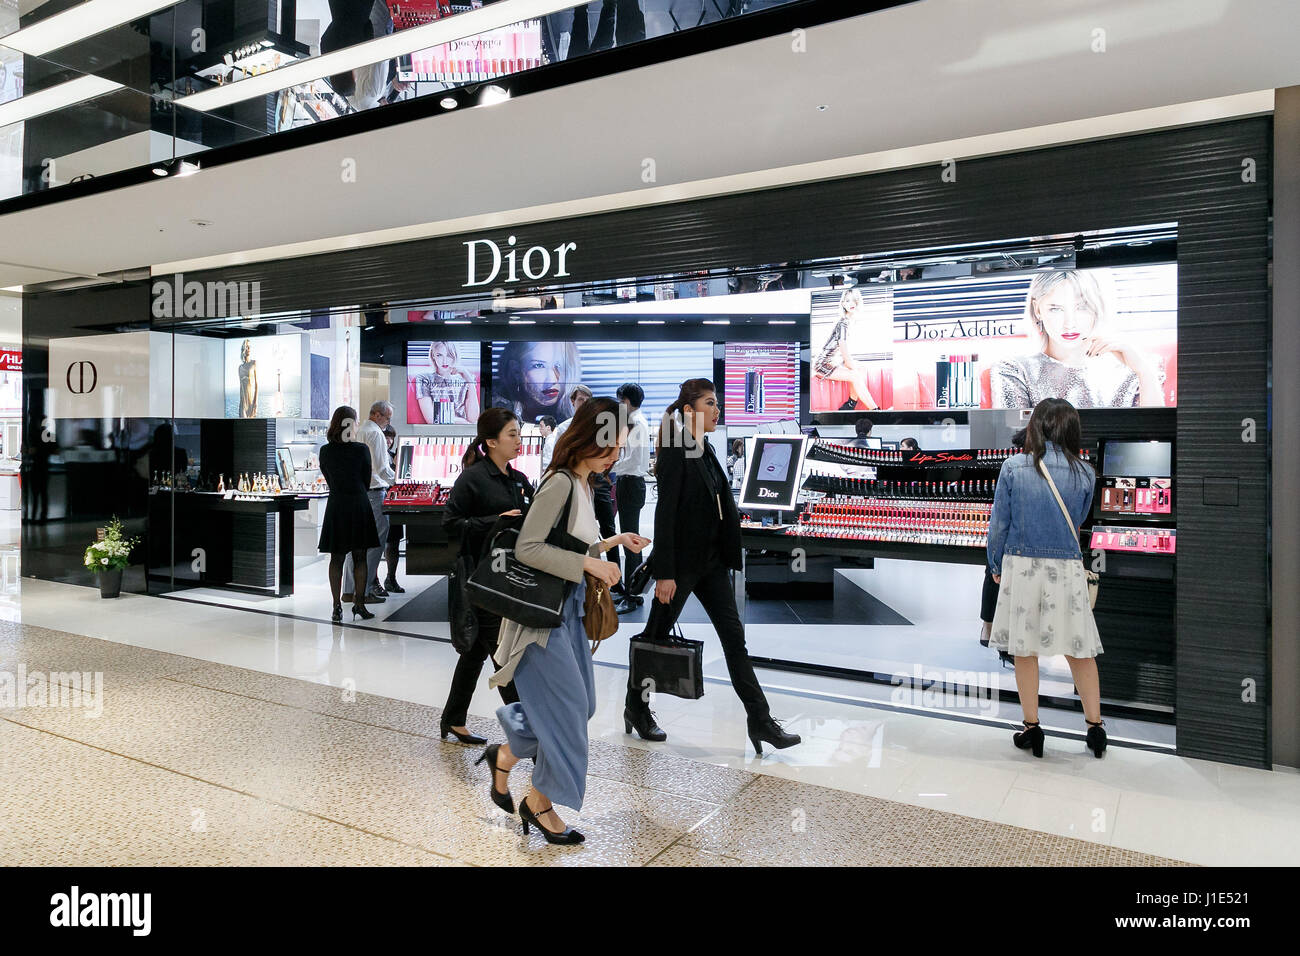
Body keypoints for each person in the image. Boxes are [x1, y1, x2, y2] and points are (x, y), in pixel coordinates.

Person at [478, 397, 649, 844]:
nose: (615, 458)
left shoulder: (584, 483)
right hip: (541, 621)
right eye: (610, 449)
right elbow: (529, 549)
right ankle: (540, 805)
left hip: (567, 613)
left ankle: (510, 747)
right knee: (571, 713)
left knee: (582, 706)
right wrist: (591, 566)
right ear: (588, 440)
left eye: (619, 451)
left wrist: (611, 542)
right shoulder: (560, 483)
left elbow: (569, 543)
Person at [624, 378, 801, 754]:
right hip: (683, 565)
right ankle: (635, 707)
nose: (717, 410)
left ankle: (761, 720)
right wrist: (666, 573)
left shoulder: (703, 449)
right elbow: (666, 513)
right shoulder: (675, 449)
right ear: (689, 410)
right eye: (710, 403)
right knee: (656, 638)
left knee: (735, 641)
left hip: (711, 564)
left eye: (717, 403)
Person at [987, 398, 1106, 758]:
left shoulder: (1013, 467)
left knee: (1026, 651)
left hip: (1023, 567)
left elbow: (999, 525)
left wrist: (995, 564)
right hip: (1067, 568)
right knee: (1079, 650)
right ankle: (1095, 729)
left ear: (1035, 426)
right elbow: (1080, 518)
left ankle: (1032, 729)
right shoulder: (1085, 472)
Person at [440, 408, 534, 745]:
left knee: (476, 652)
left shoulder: (519, 480)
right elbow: (451, 523)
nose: (518, 440)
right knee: (504, 658)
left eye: (518, 433)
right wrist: (493, 521)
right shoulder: (472, 478)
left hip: (511, 578)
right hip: (483, 580)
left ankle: (452, 720)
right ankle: (529, 737)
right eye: (512, 434)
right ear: (491, 441)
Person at [991, 269, 1164, 409]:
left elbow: (1156, 437)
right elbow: (1011, 442)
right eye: (1056, 309)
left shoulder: (1130, 370)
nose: (1069, 324)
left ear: (1097, 307)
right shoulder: (1015, 370)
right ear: (1037, 309)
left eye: (1082, 307)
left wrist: (1143, 371)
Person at [318, 405, 380, 623]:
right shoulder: (361, 450)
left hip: (336, 505)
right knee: (360, 557)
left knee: (336, 558)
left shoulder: (325, 451)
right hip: (358, 504)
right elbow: (366, 478)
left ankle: (336, 606)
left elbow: (327, 477)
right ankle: (359, 603)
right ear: (351, 424)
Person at [341, 401, 395, 604]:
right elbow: (382, 468)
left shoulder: (360, 430)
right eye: (388, 418)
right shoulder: (375, 433)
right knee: (375, 542)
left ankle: (348, 590)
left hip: (358, 493)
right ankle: (363, 591)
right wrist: (400, 482)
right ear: (378, 415)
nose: (389, 424)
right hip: (374, 492)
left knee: (354, 543)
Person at [979, 428, 1026, 647]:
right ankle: (996, 630)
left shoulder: (1012, 465)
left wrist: (995, 560)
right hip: (1025, 543)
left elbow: (999, 519)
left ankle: (990, 629)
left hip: (1009, 539)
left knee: (993, 578)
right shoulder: (1016, 466)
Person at [612, 383, 650, 614]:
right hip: (630, 484)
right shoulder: (637, 422)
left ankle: (633, 594)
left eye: (619, 401)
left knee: (631, 542)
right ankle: (630, 591)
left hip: (631, 483)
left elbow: (633, 461)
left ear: (626, 401)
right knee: (629, 539)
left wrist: (609, 465)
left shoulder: (636, 424)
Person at [813, 287, 882, 412]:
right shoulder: (843, 323)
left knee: (860, 369)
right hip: (822, 365)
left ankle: (850, 404)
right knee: (856, 375)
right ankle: (875, 410)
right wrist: (853, 369)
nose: (851, 304)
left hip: (832, 362)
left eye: (854, 300)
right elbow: (845, 353)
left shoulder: (850, 322)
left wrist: (854, 368)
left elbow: (846, 355)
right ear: (843, 304)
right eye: (847, 301)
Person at [493, 341, 583, 423]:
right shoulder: (498, 413)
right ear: (516, 370)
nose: (552, 380)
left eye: (559, 365)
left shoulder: (577, 415)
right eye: (539, 365)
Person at [410, 341, 479, 425]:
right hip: (438, 431)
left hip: (464, 431)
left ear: (455, 355)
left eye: (449, 355)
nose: (445, 361)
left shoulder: (467, 378)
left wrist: (470, 381)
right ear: (433, 356)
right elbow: (431, 419)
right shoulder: (424, 379)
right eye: (439, 355)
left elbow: (473, 419)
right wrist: (464, 422)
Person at [381, 424, 405, 594]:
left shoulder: (396, 456)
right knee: (378, 543)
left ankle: (391, 578)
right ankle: (373, 581)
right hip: (381, 502)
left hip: (395, 502)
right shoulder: (376, 457)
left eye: (391, 438)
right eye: (386, 437)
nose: (389, 441)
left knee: (394, 542)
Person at [237, 340, 258, 418]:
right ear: (243, 349)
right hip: (243, 404)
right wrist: (240, 405)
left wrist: (255, 403)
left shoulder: (254, 363)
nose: (248, 349)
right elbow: (241, 388)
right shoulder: (240, 368)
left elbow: (257, 385)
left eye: (249, 347)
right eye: (247, 347)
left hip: (251, 403)